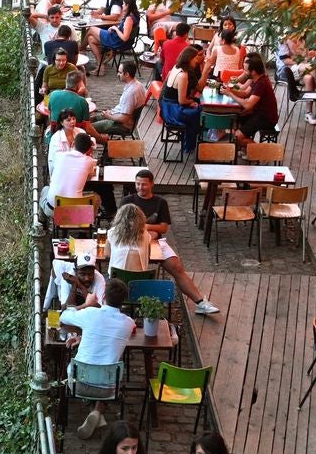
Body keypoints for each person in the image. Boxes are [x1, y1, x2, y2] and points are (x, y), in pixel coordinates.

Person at [118, 170, 219, 314]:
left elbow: (164, 228)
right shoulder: (127, 201)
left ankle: (200, 302)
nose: (140, 187)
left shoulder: (160, 202)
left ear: (152, 184)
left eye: (144, 184)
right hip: (132, 242)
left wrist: (146, 227)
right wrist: (150, 231)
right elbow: (120, 225)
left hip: (156, 242)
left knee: (177, 267)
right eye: (137, 184)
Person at [61, 279, 136, 436]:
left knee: (84, 368)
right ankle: (97, 411)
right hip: (109, 390)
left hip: (78, 384)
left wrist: (87, 304)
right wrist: (83, 337)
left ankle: (93, 412)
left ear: (103, 297)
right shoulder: (128, 324)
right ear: (124, 301)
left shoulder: (91, 313)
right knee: (105, 368)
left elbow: (65, 316)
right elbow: (108, 337)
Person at [161, 45, 205, 157]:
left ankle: (190, 141)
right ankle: (190, 144)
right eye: (196, 58)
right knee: (199, 111)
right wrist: (191, 102)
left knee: (197, 106)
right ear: (190, 58)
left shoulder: (176, 67)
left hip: (166, 106)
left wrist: (191, 102)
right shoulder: (183, 75)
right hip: (174, 111)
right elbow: (182, 100)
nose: (197, 60)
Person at [45, 130, 98, 212]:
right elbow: (90, 176)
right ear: (88, 150)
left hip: (54, 210)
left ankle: (41, 221)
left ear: (73, 144)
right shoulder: (89, 161)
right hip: (74, 212)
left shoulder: (59, 156)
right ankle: (87, 221)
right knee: (96, 198)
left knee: (45, 190)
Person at [95, 59, 148, 136]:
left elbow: (124, 119)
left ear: (127, 74)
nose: (117, 74)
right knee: (91, 119)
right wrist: (111, 112)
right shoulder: (138, 84)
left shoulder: (130, 93)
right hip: (118, 115)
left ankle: (104, 142)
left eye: (120, 72)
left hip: (123, 125)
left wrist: (109, 116)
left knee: (89, 128)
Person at [234, 53, 279, 139]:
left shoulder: (261, 83)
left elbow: (248, 105)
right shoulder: (257, 79)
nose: (245, 72)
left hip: (266, 119)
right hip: (259, 114)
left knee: (236, 137)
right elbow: (245, 93)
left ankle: (259, 150)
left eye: (246, 70)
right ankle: (242, 147)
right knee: (235, 119)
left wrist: (230, 94)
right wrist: (229, 90)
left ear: (253, 72)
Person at [209, 14, 246, 84]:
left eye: (230, 24)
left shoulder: (237, 42)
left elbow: (211, 63)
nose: (227, 26)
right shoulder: (217, 36)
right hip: (233, 77)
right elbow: (209, 49)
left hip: (220, 76)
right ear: (222, 26)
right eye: (225, 24)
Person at [41, 25, 80, 91]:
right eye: (58, 60)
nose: (61, 63)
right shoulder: (74, 44)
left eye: (63, 60)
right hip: (53, 93)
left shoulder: (47, 44)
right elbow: (75, 60)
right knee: (82, 69)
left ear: (57, 34)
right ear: (69, 36)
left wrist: (51, 41)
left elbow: (47, 57)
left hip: (66, 93)